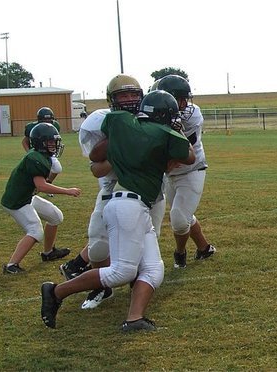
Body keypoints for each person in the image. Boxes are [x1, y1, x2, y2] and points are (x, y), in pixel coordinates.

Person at [41, 90, 195, 332]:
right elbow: (189, 155)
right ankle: (55, 291)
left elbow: (95, 155)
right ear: (164, 115)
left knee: (154, 270)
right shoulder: (163, 132)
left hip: (134, 204)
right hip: (128, 204)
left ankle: (134, 319)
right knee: (122, 271)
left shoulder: (123, 124)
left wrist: (125, 149)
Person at [60, 74, 167, 310]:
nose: (129, 100)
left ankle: (137, 290)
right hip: (112, 189)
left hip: (149, 191)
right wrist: (122, 142)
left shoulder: (153, 117)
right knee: (98, 245)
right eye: (123, 95)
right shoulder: (100, 122)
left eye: (133, 95)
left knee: (145, 244)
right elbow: (96, 169)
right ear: (112, 100)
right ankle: (102, 286)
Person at [1, 123, 80, 274]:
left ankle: (48, 252)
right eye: (49, 142)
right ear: (39, 142)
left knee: (56, 216)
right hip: (16, 202)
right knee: (35, 231)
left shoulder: (41, 156)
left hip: (27, 197)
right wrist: (68, 191)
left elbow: (41, 184)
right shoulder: (35, 158)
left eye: (54, 141)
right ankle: (11, 265)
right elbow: (41, 186)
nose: (54, 145)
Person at [155, 75, 217, 268]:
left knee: (179, 219)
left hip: (191, 169)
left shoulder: (193, 115)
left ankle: (179, 252)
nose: (184, 103)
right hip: (170, 173)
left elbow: (182, 150)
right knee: (185, 215)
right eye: (179, 98)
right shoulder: (155, 112)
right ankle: (204, 248)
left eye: (185, 98)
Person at [22, 107, 63, 190]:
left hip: (48, 152)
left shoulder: (55, 126)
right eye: (45, 120)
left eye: (49, 120)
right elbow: (25, 141)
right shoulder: (31, 127)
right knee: (36, 172)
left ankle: (48, 183)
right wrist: (28, 151)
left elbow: (54, 140)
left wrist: (53, 148)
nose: (47, 123)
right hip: (37, 152)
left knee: (57, 168)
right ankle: (35, 188)